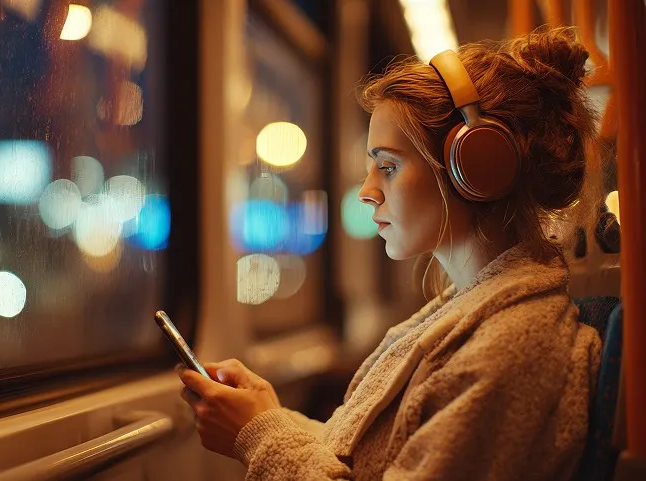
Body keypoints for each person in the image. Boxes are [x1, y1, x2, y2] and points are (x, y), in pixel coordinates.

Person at [176, 26, 603, 481]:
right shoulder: (466, 315)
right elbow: (380, 460)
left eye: (388, 166)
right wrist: (266, 413)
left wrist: (258, 434)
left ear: (476, 167)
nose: (366, 192)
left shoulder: (515, 348)